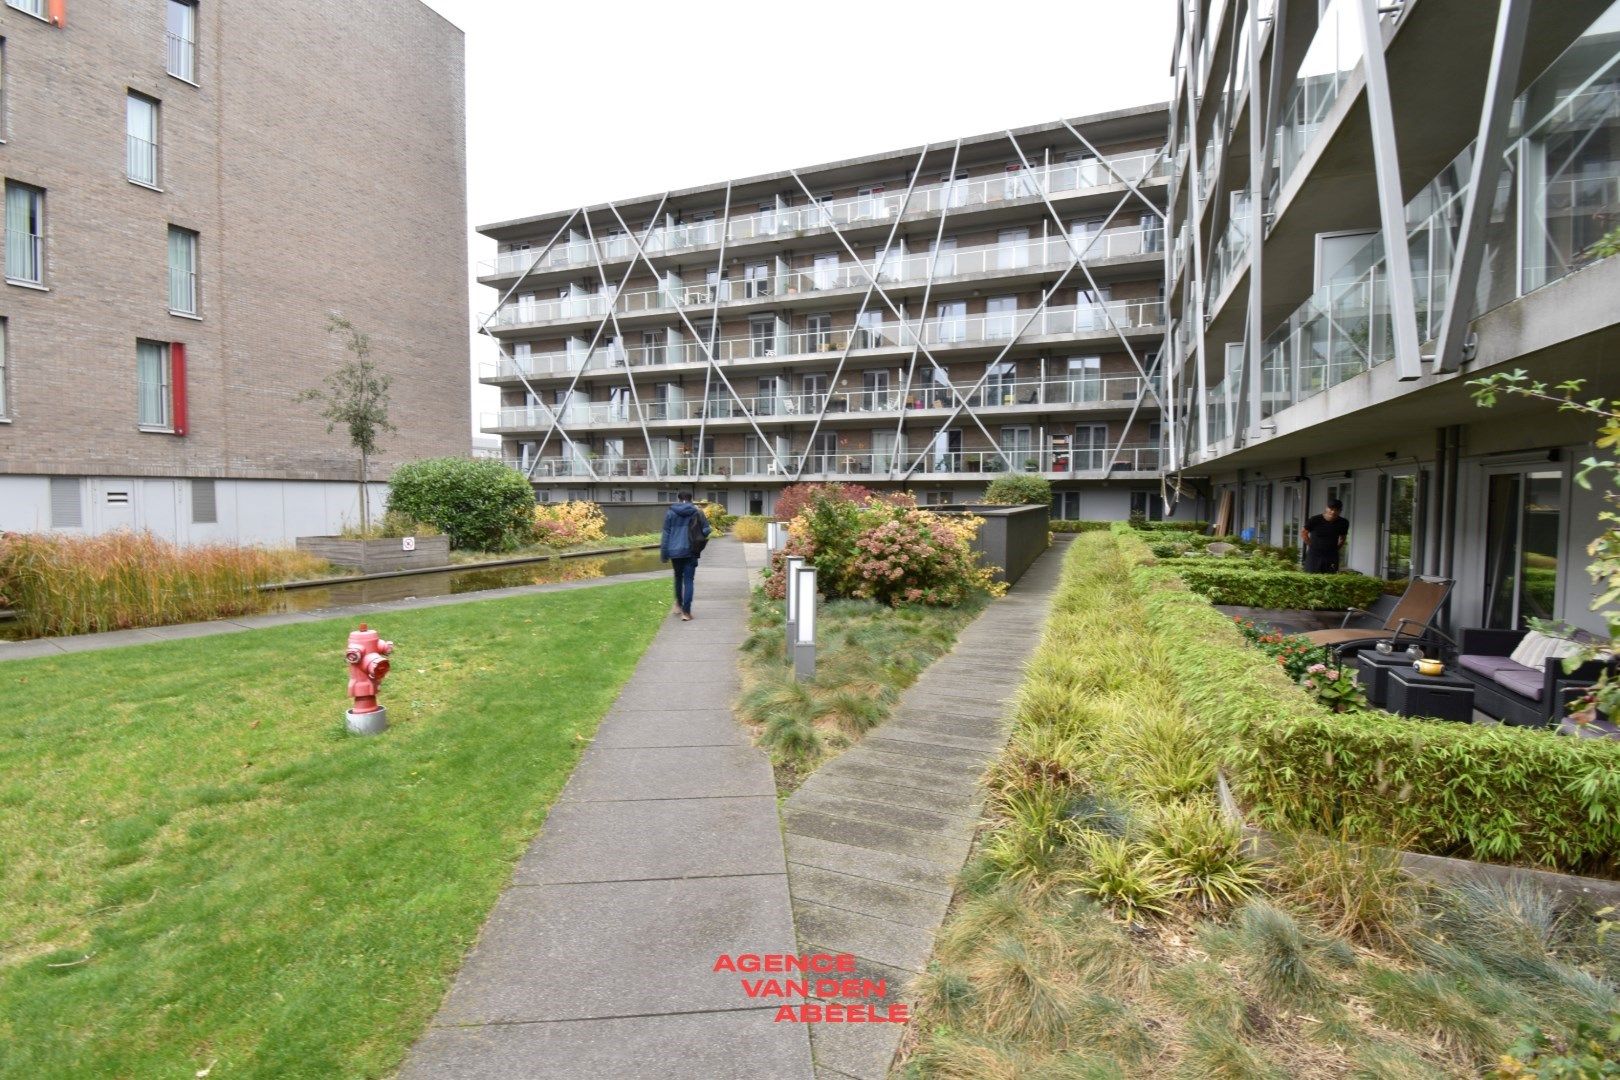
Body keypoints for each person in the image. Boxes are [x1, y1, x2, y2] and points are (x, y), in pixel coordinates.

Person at [660, 492, 711, 621]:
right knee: (688, 580)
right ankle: (686, 613)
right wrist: (699, 535)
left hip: (674, 551)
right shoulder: (697, 512)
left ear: (679, 499)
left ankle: (678, 604)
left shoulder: (671, 512)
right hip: (690, 550)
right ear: (690, 499)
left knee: (678, 577)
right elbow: (706, 529)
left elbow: (666, 534)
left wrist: (664, 553)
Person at [1301, 499, 1349, 573]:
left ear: (1340, 511)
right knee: (1311, 576)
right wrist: (1312, 545)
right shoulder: (1315, 519)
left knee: (1330, 577)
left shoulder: (1343, 522)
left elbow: (1342, 538)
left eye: (1336, 510)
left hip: (1331, 555)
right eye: (1331, 509)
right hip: (1314, 554)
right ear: (1326, 508)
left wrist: (1335, 549)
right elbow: (1304, 533)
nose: (1333, 512)